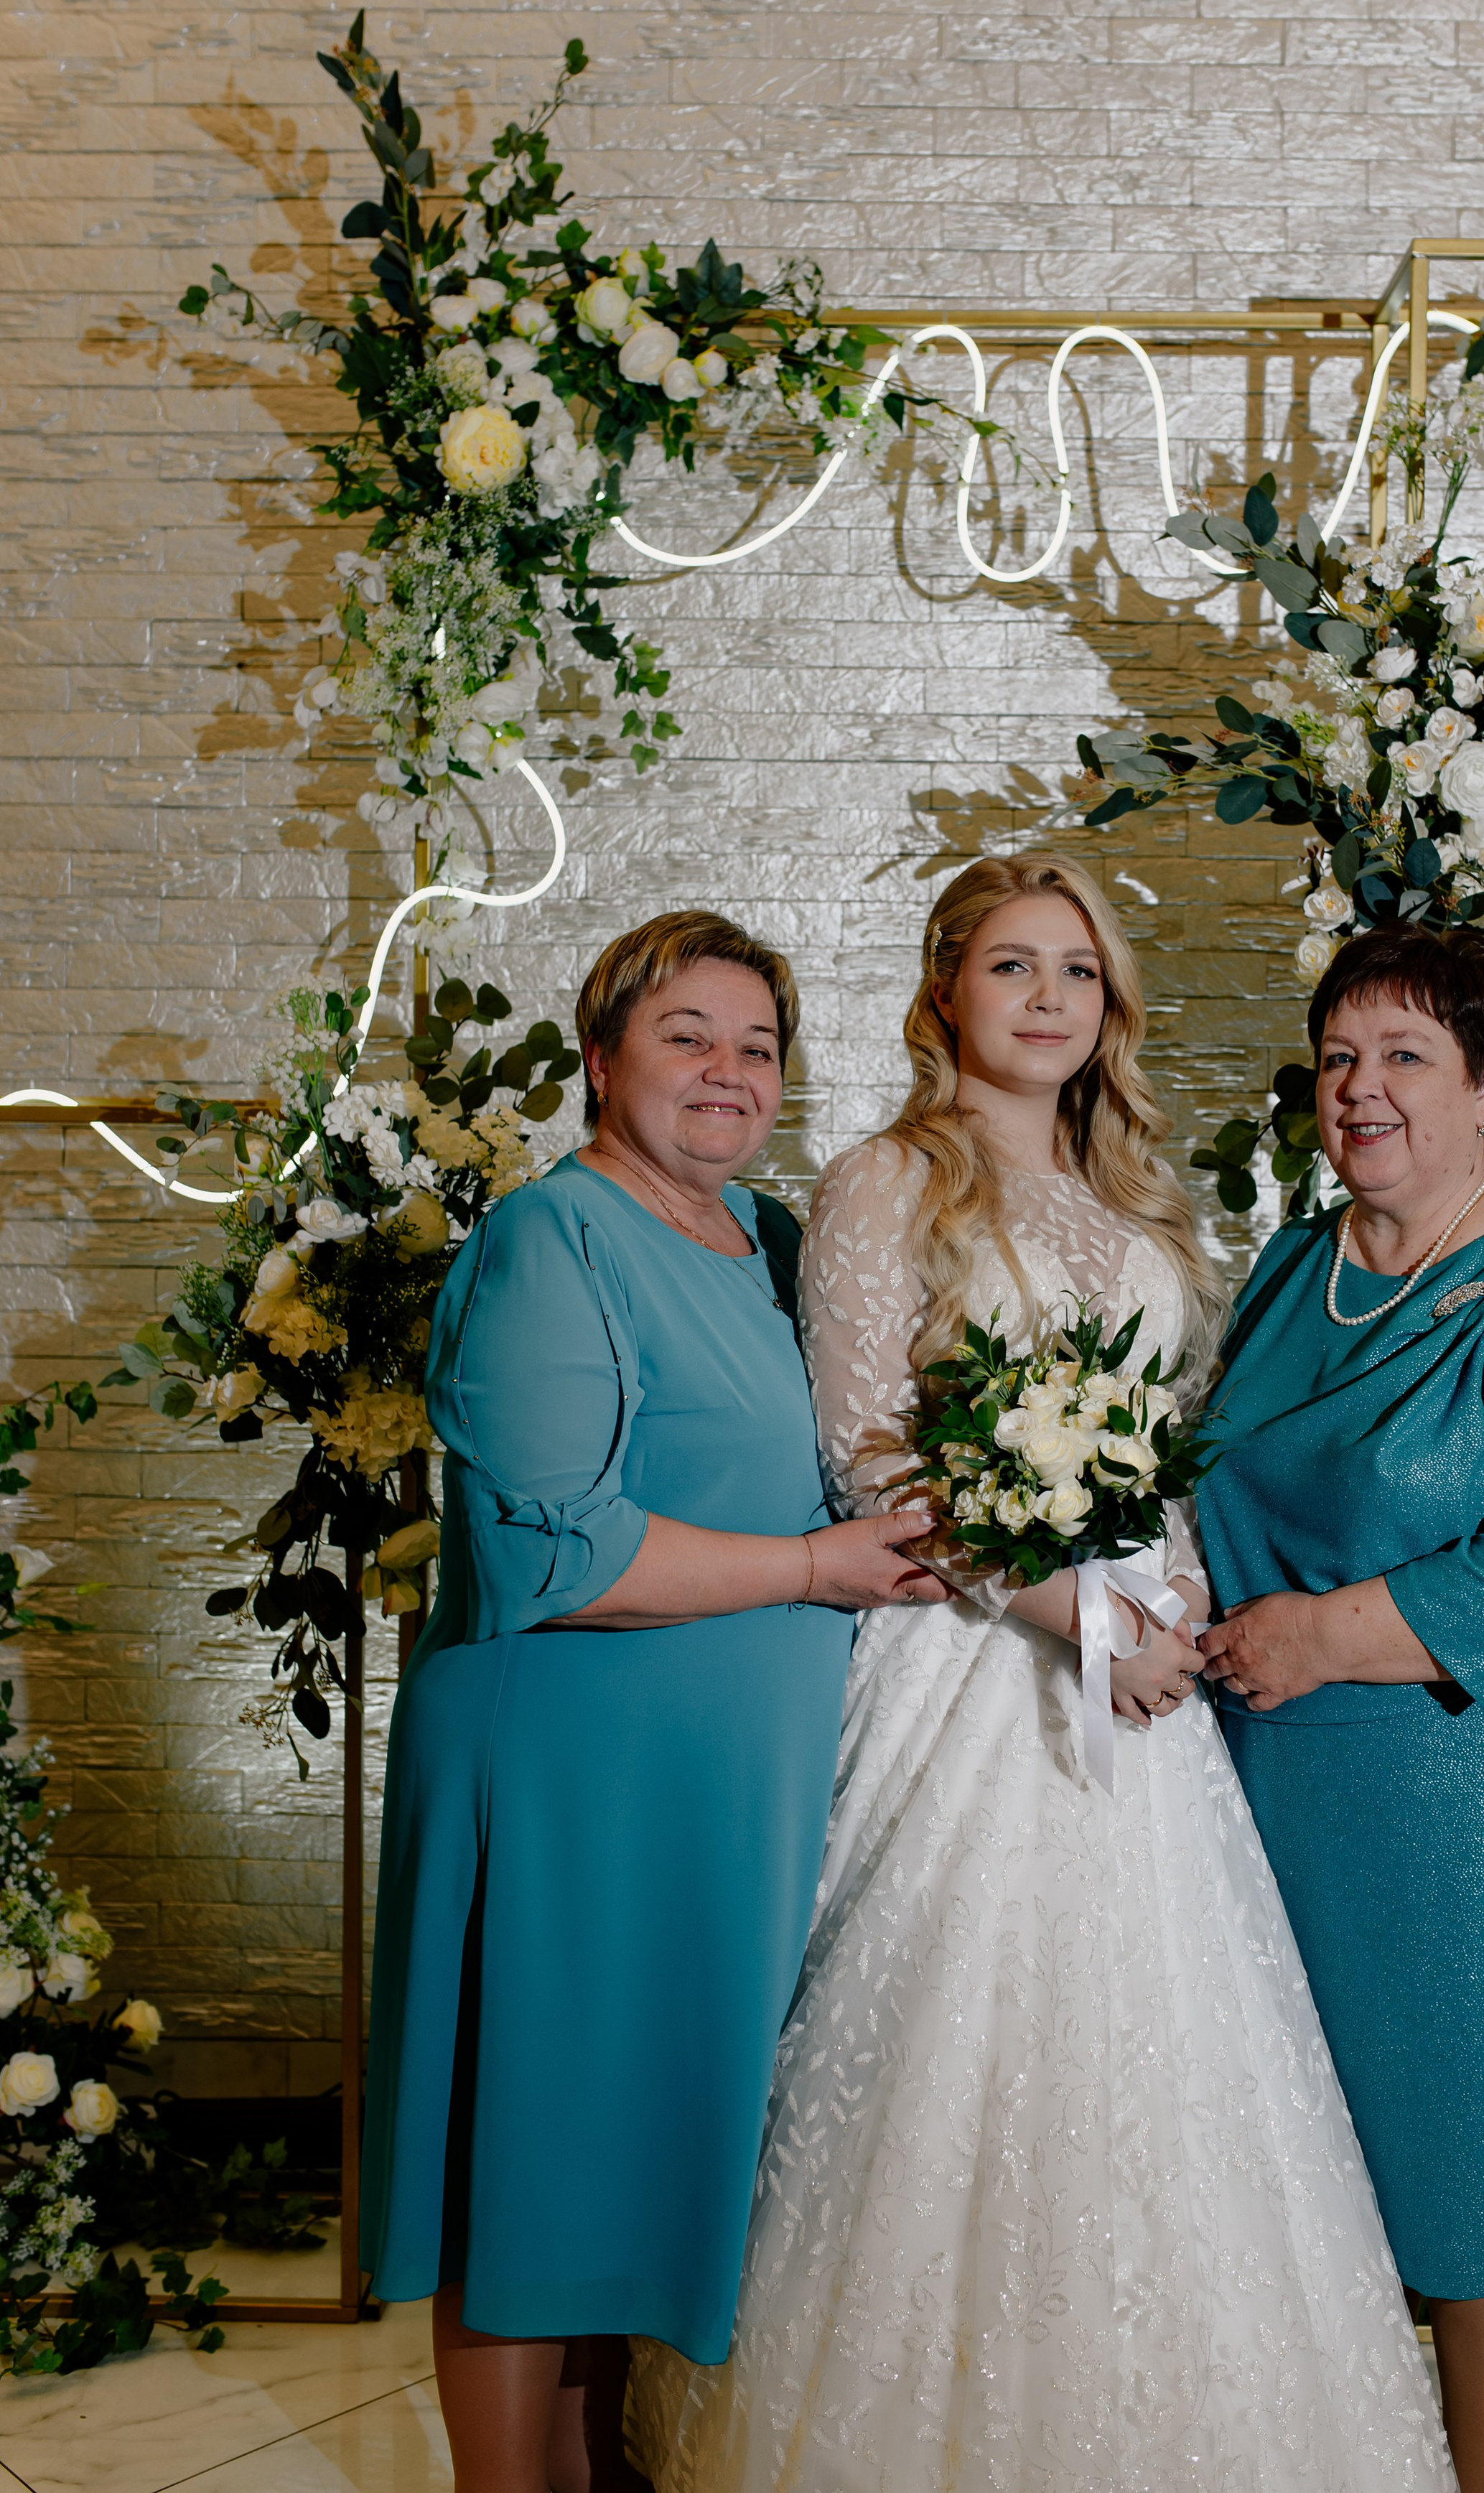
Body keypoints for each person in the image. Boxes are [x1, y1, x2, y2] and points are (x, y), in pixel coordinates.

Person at [633, 856, 1455, 2493]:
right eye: (1009, 965)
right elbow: (872, 1461)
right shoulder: (883, 1182)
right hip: (970, 1665)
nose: (1044, 998)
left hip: (1147, 1673)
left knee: (1167, 2065)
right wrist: (1073, 1614)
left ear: (1107, 1006)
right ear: (946, 992)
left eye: (1075, 969)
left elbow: (1167, 1456)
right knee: (949, 2058)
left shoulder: (1133, 1199)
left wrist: (1177, 1599)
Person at [360, 911, 945, 2493]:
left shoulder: (761, 1242)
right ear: (602, 1054)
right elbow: (553, 1540)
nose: (727, 1069)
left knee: (626, 2181)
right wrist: (821, 1566)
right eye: (687, 1033)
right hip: (566, 1781)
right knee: (530, 2177)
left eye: (756, 1046)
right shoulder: (550, 1240)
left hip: (710, 1801)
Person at [1195, 922, 1484, 2493]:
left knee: (1482, 2166)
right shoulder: (1286, 1264)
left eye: (1403, 1055)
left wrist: (1324, 1630)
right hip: (1281, 1794)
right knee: (1309, 2158)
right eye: (1336, 1056)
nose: (1360, 1088)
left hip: (1482, 1810)